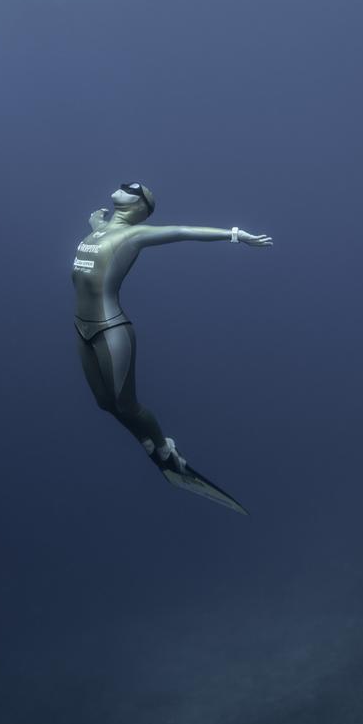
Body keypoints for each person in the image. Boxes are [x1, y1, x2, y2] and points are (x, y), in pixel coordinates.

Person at [72, 183, 273, 512]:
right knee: (104, 404)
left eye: (132, 188)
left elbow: (184, 231)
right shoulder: (103, 228)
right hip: (81, 327)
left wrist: (236, 235)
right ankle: (148, 443)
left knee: (127, 404)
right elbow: (100, 239)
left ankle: (164, 447)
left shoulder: (134, 235)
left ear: (140, 206)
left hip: (110, 329)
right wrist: (94, 224)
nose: (122, 187)